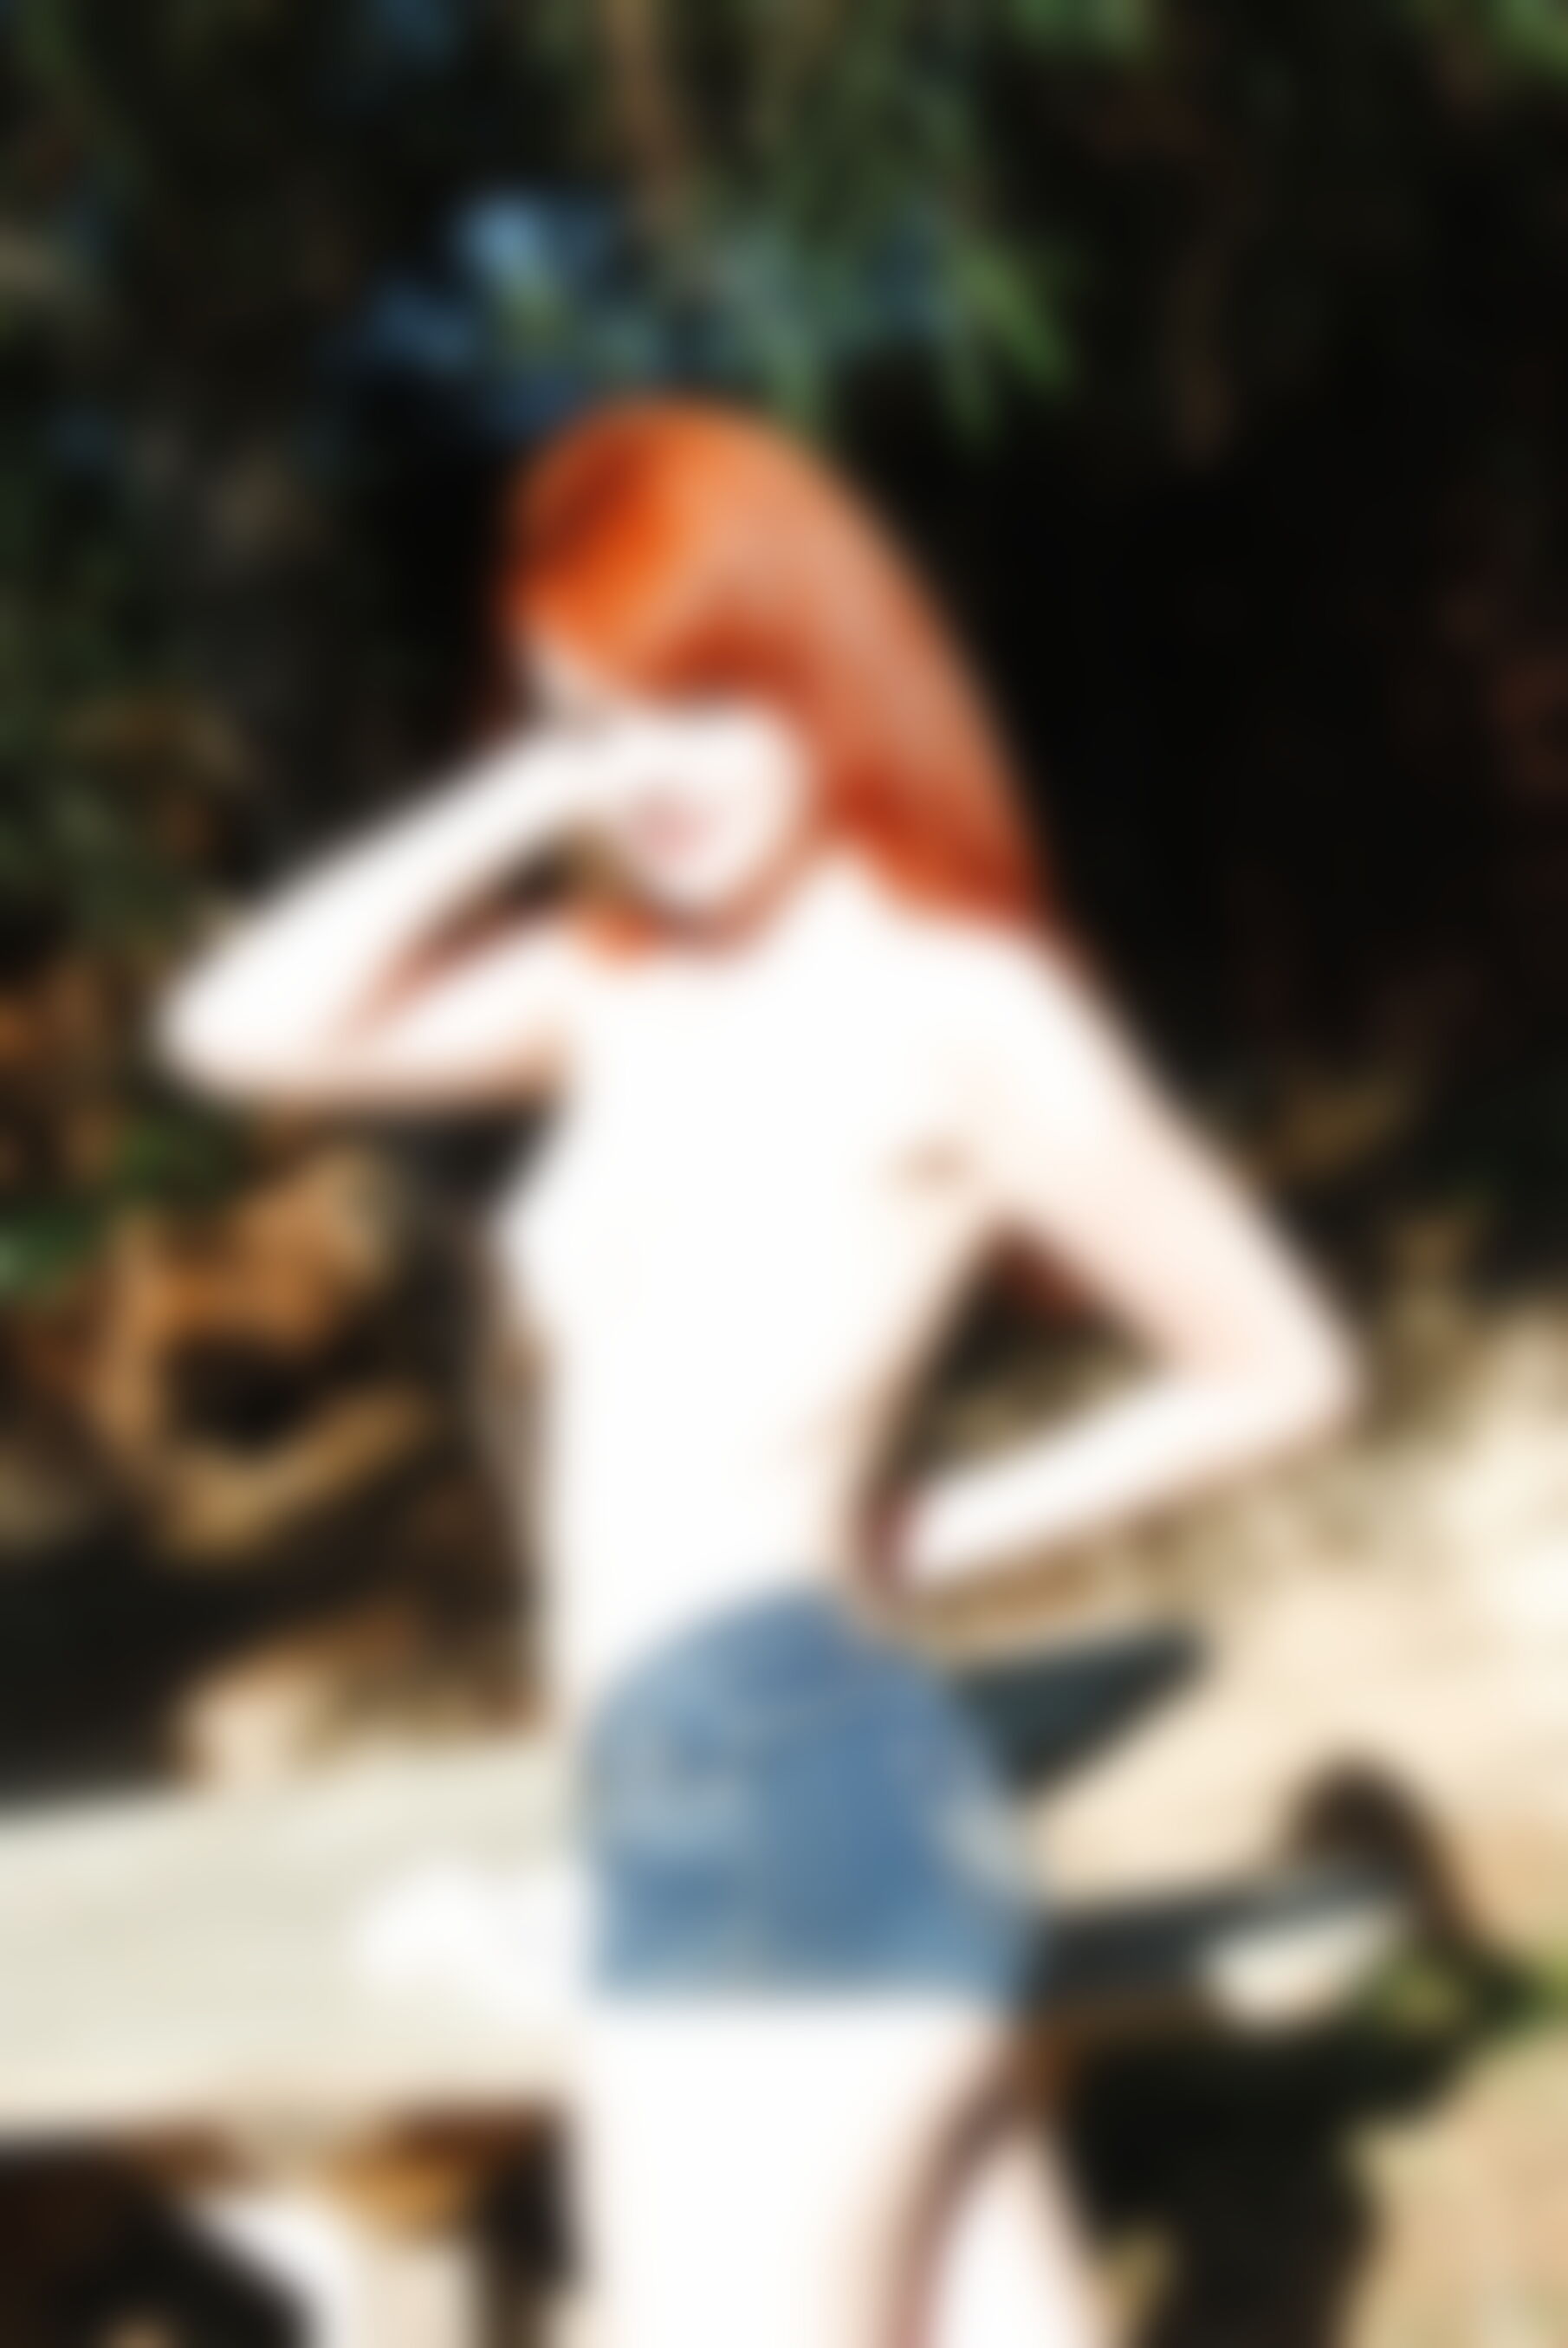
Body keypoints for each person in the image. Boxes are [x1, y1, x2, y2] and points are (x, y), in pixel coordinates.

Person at [155, 399, 1361, 2348]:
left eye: (705, 699)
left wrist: (933, 1525)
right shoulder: (616, 982)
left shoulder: (958, 1002)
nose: (654, 777)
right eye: (594, 722)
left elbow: (1283, 1368)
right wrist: (522, 791)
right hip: (720, 1781)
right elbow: (231, 1028)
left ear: (826, 663)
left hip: (781, 1782)